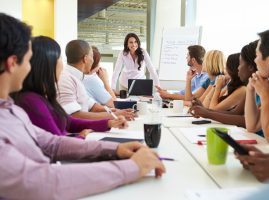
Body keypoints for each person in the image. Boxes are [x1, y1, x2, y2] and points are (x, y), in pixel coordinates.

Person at [0, 13, 165, 199]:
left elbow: (52, 143)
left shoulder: (11, 109)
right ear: (13, 63)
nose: (31, 67)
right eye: (28, 61)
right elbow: (40, 182)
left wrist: (115, 150)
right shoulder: (25, 103)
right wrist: (132, 167)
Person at [13, 36, 126, 138]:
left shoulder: (42, 96)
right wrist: (81, 137)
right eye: (60, 58)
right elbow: (55, 143)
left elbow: (69, 121)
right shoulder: (33, 101)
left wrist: (109, 122)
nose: (63, 64)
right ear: (48, 64)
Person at [57, 39, 135, 120]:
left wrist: (117, 112)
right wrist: (114, 116)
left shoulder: (79, 77)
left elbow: (92, 106)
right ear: (85, 58)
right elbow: (74, 115)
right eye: (91, 56)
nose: (93, 60)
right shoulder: (66, 79)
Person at [188, 41, 258, 128]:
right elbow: (235, 113)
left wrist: (207, 113)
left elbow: (246, 121)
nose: (238, 68)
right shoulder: (251, 87)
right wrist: (205, 110)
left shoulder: (245, 89)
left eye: (240, 64)